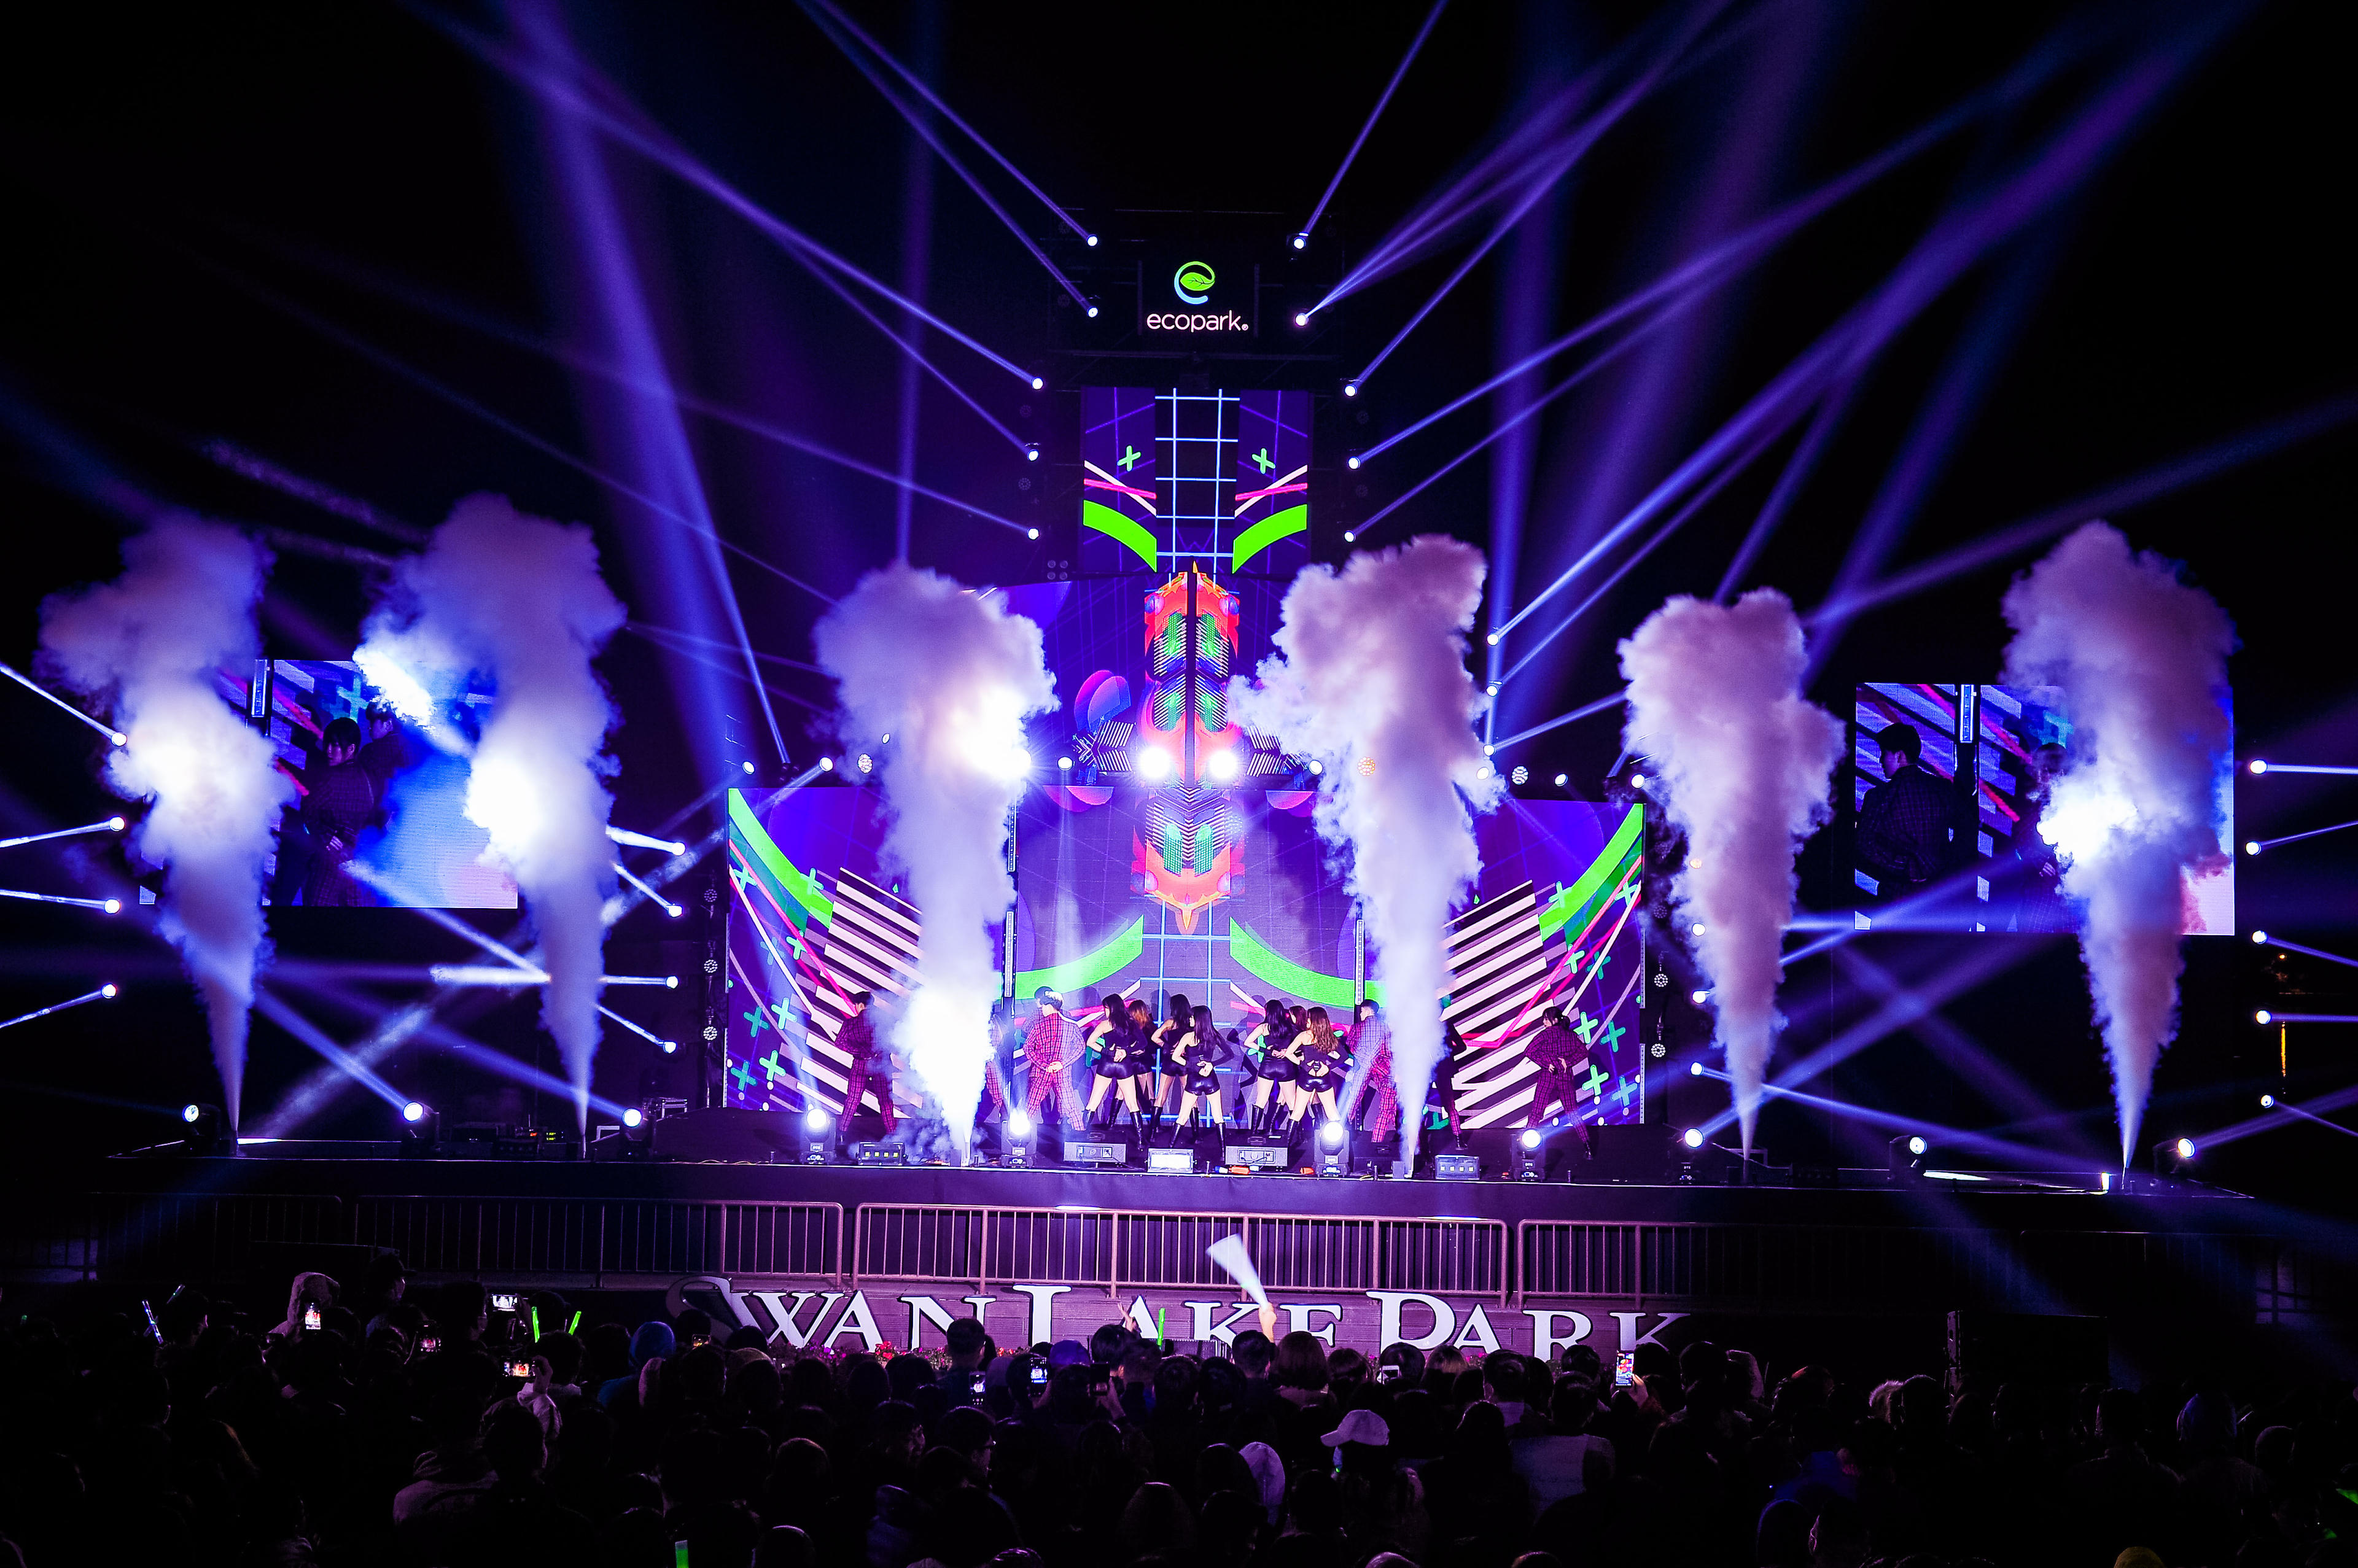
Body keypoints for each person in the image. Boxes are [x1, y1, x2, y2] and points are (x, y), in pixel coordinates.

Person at [1854, 723, 1950, 900]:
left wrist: (1905, 867)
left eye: (1884, 753)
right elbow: (1965, 834)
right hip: (1939, 897)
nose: (1881, 760)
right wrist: (1935, 865)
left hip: (1895, 899)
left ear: (1899, 756)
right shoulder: (1942, 789)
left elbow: (1864, 844)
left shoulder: (1879, 797)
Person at [299, 716, 379, 906]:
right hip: (357, 864)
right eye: (327, 743)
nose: (328, 750)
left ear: (351, 749)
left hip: (329, 864)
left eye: (335, 745)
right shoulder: (366, 777)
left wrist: (325, 835)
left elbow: (308, 811)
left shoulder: (331, 779)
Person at [833, 990, 895, 1144]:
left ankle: (841, 1133)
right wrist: (877, 1052)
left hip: (860, 1064)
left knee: (852, 1100)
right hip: (881, 1064)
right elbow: (892, 1041)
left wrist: (859, 1051)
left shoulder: (851, 1023)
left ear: (860, 1005)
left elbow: (839, 1042)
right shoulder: (882, 1022)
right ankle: (893, 1135)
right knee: (886, 1101)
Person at [1082, 990, 1149, 1129]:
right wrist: (1126, 1051)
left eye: (1106, 1008)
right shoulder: (1131, 1024)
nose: (1104, 1011)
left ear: (1111, 1008)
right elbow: (1143, 1043)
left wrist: (1108, 1051)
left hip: (1107, 1063)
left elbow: (1090, 1042)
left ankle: (1082, 1134)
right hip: (1124, 1065)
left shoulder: (1105, 1024)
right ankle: (1141, 1138)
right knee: (1132, 1104)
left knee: (1093, 1102)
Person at [1022, 990, 1086, 1131]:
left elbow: (1028, 1048)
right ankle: (1080, 1137)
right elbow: (1081, 1048)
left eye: (1043, 1007)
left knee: (1030, 1107)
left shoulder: (1038, 1026)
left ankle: (1019, 1139)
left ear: (1049, 1006)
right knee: (1071, 1108)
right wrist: (1062, 1064)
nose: (1042, 1010)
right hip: (1062, 1072)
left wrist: (1044, 1065)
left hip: (1041, 1072)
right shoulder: (1071, 1025)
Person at [1170, 1004, 1234, 1136]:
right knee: (1218, 1116)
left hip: (1194, 1079)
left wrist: (1194, 1067)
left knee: (1182, 1117)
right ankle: (1223, 1149)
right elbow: (1230, 1054)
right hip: (1210, 1078)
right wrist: (1212, 1065)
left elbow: (1175, 1056)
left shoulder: (1189, 1036)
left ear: (1199, 1019)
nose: (1189, 1020)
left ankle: (1170, 1147)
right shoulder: (1214, 1035)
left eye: (1192, 1017)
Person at [1344, 1000, 1399, 1138]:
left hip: (1363, 1068)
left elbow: (1351, 1047)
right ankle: (1381, 1138)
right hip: (1384, 1069)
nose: (1361, 1014)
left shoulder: (1357, 1027)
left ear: (1367, 1011)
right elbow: (1390, 1050)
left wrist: (1366, 1060)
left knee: (1353, 1099)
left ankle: (1343, 1133)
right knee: (1387, 1104)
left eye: (1362, 1011)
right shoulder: (1385, 1027)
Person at [1523, 1006, 1582, 1127]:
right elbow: (1583, 1052)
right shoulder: (1570, 1035)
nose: (1544, 1022)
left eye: (1546, 1019)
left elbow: (1529, 1051)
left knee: (1537, 1113)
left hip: (1547, 1077)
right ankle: (1585, 1139)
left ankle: (1527, 1134)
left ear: (1555, 1020)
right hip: (1565, 1078)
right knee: (1573, 1114)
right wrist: (1568, 1062)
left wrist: (1547, 1064)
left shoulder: (1545, 1035)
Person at [1245, 999, 1299, 1132]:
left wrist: (1266, 1051)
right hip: (1285, 1066)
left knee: (1261, 1101)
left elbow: (1248, 1042)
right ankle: (1296, 1136)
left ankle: (1254, 1133)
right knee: (1292, 1103)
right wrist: (1287, 1052)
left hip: (1268, 1065)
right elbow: (1301, 1043)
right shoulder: (1290, 1027)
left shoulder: (1264, 1027)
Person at [1293, 1008, 1347, 1127]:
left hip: (1307, 1077)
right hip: (1323, 1078)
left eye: (1309, 1017)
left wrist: (1304, 1065)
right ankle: (1338, 1139)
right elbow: (1344, 1056)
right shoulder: (1329, 1036)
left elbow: (1289, 1053)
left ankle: (1289, 1140)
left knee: (1297, 1113)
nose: (1307, 1020)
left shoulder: (1304, 1035)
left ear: (1315, 1020)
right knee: (1333, 1114)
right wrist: (1328, 1067)